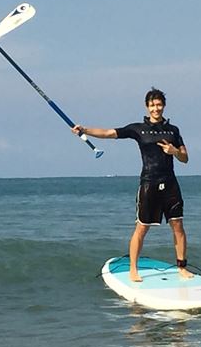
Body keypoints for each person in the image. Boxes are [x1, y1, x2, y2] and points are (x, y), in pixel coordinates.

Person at [72, 87, 193, 283]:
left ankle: (182, 268)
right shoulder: (138, 129)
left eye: (159, 104)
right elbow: (109, 133)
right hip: (149, 183)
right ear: (147, 107)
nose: (156, 108)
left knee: (178, 225)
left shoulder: (174, 131)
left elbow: (185, 158)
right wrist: (85, 130)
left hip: (170, 184)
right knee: (142, 228)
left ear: (164, 106)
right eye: (152, 105)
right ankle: (133, 270)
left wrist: (174, 151)